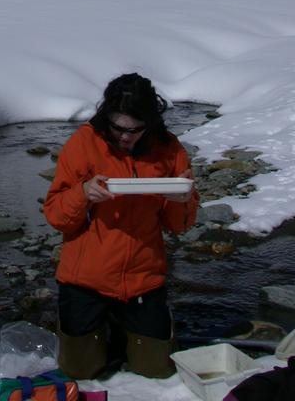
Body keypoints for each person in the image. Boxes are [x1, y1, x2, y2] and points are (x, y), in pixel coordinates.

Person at [43, 73, 198, 380]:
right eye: (118, 128)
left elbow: (179, 226)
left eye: (135, 130)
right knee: (79, 370)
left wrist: (182, 198)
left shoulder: (168, 149)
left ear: (150, 123)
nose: (126, 137)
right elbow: (56, 216)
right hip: (86, 279)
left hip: (143, 278)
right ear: (106, 117)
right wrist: (83, 193)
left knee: (155, 370)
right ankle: (100, 328)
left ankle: (124, 328)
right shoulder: (84, 143)